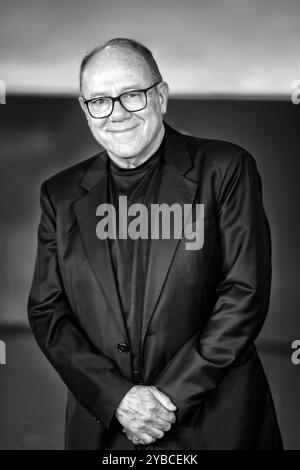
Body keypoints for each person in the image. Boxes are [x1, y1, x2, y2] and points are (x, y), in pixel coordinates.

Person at [27, 38, 283, 450]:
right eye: (100, 100)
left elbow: (244, 293)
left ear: (161, 96)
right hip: (107, 427)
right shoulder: (59, 195)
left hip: (216, 422)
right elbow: (47, 311)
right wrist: (118, 399)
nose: (117, 113)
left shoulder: (226, 168)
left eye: (132, 94)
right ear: (84, 109)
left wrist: (168, 400)